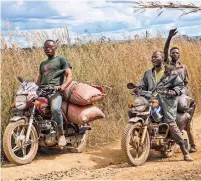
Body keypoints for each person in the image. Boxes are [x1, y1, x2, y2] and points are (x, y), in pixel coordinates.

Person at [139, 51, 193, 161]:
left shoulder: (170, 73)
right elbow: (142, 85)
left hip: (167, 102)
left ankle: (185, 151)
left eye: (156, 57)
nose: (153, 59)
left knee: (170, 124)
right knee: (138, 114)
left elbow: (179, 85)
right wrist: (138, 89)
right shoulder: (148, 73)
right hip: (151, 101)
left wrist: (174, 92)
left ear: (163, 59)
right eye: (152, 57)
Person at [164, 28, 197, 153]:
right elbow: (165, 50)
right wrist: (169, 37)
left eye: (177, 52)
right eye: (173, 52)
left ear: (179, 55)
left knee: (186, 122)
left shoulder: (184, 67)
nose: (174, 54)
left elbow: (186, 82)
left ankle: (192, 145)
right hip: (168, 92)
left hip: (181, 92)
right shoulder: (168, 64)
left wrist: (182, 91)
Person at [36, 39, 73, 147]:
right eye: (46, 47)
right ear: (43, 49)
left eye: (50, 47)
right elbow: (39, 80)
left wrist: (62, 86)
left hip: (55, 91)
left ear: (55, 48)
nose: (48, 49)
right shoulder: (42, 64)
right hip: (42, 91)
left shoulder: (61, 59)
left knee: (55, 109)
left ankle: (61, 134)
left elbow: (69, 75)